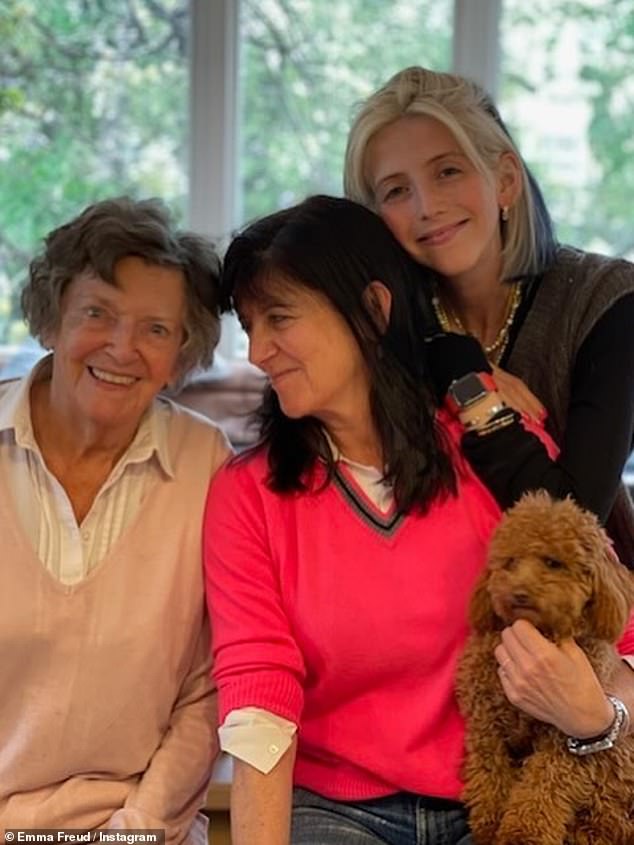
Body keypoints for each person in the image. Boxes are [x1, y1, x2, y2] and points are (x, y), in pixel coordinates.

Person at [203, 195, 634, 845]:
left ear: (374, 309)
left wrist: (600, 716)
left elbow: (620, 639)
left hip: (495, 794)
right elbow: (258, 696)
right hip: (336, 806)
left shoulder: (497, 451)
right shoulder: (245, 494)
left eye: (278, 318)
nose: (257, 350)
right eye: (247, 324)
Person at [0, 197, 231, 842]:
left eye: (155, 329)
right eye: (97, 314)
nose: (122, 348)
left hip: (139, 828)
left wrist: (137, 829)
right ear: (52, 320)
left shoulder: (207, 463)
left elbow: (209, 686)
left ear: (183, 352)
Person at [344, 65, 634, 568]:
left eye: (447, 172)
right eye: (395, 190)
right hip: (434, 609)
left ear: (504, 181)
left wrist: (462, 381)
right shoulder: (385, 322)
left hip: (590, 612)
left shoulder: (606, 299)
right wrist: (448, 357)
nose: (426, 206)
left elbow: (568, 521)